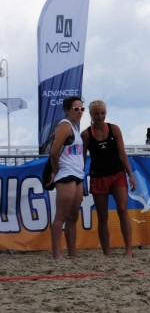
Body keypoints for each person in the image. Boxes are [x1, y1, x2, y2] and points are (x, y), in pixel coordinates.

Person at [82, 100, 137, 257]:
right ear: (91, 115)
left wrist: (130, 175)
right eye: (96, 113)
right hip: (98, 177)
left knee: (122, 209)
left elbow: (122, 153)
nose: (100, 116)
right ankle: (107, 252)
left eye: (102, 113)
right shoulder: (86, 134)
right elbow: (81, 158)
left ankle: (129, 249)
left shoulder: (114, 129)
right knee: (102, 215)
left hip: (117, 174)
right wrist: (79, 177)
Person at [46, 96, 86, 260]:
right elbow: (54, 152)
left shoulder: (75, 128)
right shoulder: (64, 126)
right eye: (76, 109)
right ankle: (57, 253)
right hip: (66, 173)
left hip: (77, 174)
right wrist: (55, 171)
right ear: (67, 110)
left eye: (82, 109)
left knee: (73, 216)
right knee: (61, 216)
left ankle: (72, 251)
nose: (79, 112)